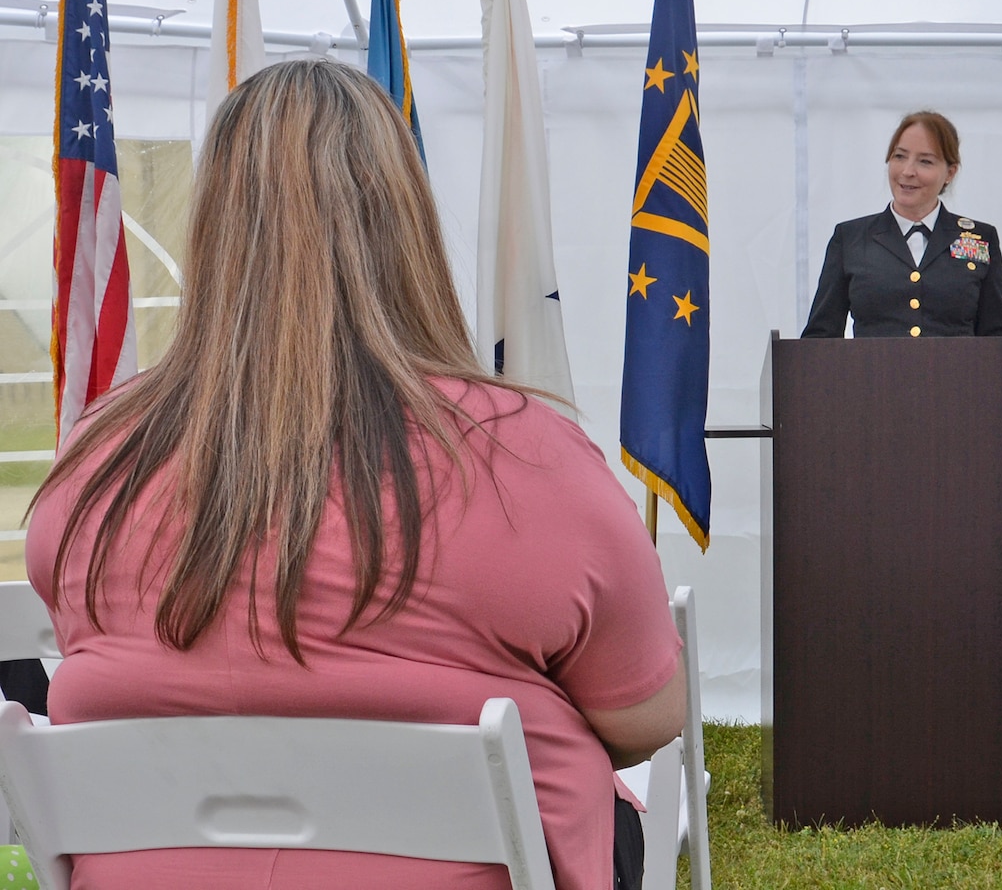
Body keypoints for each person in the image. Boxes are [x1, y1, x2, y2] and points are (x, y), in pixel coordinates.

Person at [25, 59, 685, 890]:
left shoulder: (94, 461)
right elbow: (644, 718)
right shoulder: (530, 457)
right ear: (404, 220)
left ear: (214, 228)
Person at [801, 110, 1002, 338]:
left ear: (949, 173)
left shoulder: (980, 239)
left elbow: (998, 341)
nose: (907, 171)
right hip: (873, 373)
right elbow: (820, 340)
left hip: (956, 374)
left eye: (925, 161)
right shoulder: (851, 238)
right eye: (899, 157)